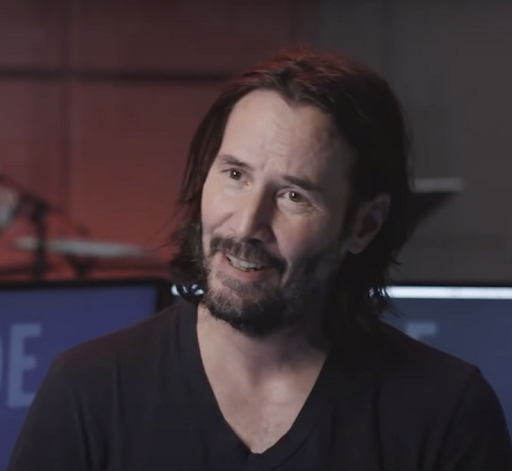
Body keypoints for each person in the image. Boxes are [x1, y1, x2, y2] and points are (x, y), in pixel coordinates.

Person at [7, 49, 512, 471]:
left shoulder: (447, 414)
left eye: (293, 196)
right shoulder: (89, 390)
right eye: (235, 175)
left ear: (364, 225)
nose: (247, 225)